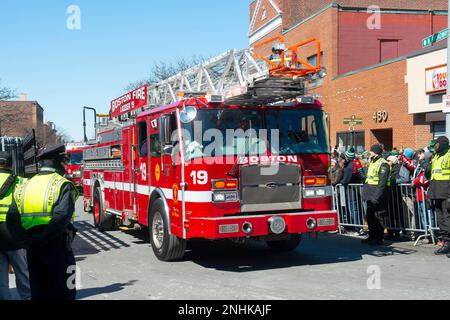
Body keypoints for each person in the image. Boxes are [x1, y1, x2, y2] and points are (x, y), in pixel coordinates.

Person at [13, 144, 80, 299]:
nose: (66, 164)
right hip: (58, 248)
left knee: (38, 290)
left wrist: (26, 241)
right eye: (65, 160)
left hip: (32, 249)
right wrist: (43, 239)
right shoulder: (62, 184)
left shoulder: (24, 185)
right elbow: (61, 219)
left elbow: (12, 217)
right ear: (57, 161)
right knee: (65, 291)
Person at [0, 151, 31, 300]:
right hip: (13, 233)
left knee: (1, 276)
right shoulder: (20, 181)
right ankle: (27, 297)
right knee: (22, 272)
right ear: (11, 165)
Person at [360, 144, 391, 246]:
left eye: (371, 151)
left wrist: (376, 197)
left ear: (376, 152)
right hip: (370, 193)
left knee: (379, 216)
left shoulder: (383, 164)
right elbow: (368, 178)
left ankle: (378, 238)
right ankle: (372, 235)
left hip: (378, 195)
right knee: (370, 216)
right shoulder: (373, 162)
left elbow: (382, 183)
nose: (370, 153)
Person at [427, 136, 450, 258]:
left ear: (442, 144)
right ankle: (446, 244)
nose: (434, 147)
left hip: (447, 192)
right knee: (441, 220)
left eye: (436, 144)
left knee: (448, 219)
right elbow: (432, 175)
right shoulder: (436, 156)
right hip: (437, 192)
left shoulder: (448, 155)